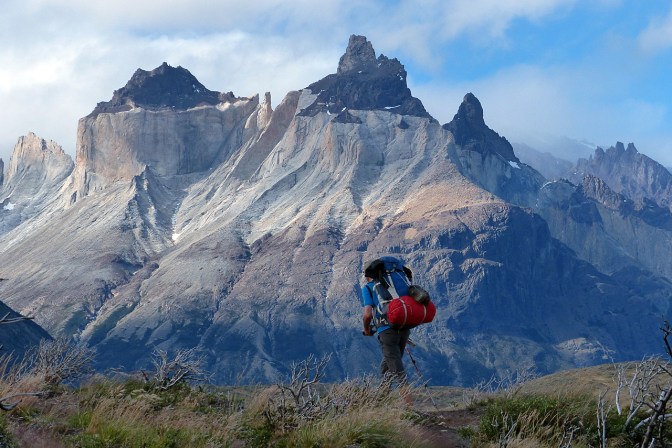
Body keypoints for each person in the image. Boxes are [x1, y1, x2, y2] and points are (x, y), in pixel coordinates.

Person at [361, 264, 411, 388]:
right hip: (404, 327)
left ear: (367, 274)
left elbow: (367, 314)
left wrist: (367, 329)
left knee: (397, 368)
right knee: (387, 365)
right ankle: (383, 399)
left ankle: (409, 405)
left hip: (386, 330)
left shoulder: (368, 288)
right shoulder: (393, 285)